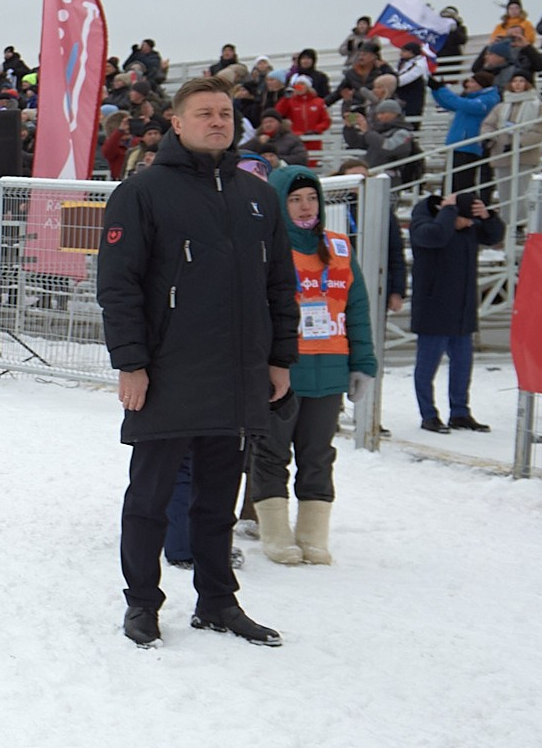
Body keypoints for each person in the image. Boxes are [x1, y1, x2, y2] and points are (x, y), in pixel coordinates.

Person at [97, 78, 298, 649]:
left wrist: (280, 358)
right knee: (150, 501)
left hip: (237, 375)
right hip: (165, 374)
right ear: (177, 124)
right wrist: (131, 362)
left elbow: (281, 287)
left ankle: (217, 601)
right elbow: (118, 286)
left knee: (218, 501)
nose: (218, 121)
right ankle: (142, 604)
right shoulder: (141, 193)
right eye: (204, 113)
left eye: (226, 113)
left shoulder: (257, 196)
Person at [248, 167, 376, 566]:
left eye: (311, 199)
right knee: (272, 452)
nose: (306, 207)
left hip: (331, 370)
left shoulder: (339, 248)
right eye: (295, 199)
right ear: (280, 204)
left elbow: (356, 309)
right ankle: (274, 533)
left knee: (319, 453)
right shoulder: (267, 248)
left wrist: (363, 363)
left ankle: (312, 535)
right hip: (284, 370)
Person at [406, 186, 503, 432]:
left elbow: (494, 235)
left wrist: (487, 216)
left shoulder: (467, 228)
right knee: (427, 366)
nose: (468, 223)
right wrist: (449, 212)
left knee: (462, 365)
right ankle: (428, 414)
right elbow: (436, 236)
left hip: (462, 309)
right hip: (433, 308)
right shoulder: (423, 223)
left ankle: (460, 412)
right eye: (464, 217)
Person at [430, 71, 501, 197]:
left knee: (462, 185)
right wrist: (436, 90)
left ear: (481, 84)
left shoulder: (489, 99)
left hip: (469, 147)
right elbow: (449, 103)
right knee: (449, 186)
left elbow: (464, 104)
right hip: (457, 145)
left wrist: (442, 90)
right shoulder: (471, 98)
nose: (468, 84)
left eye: (472, 81)